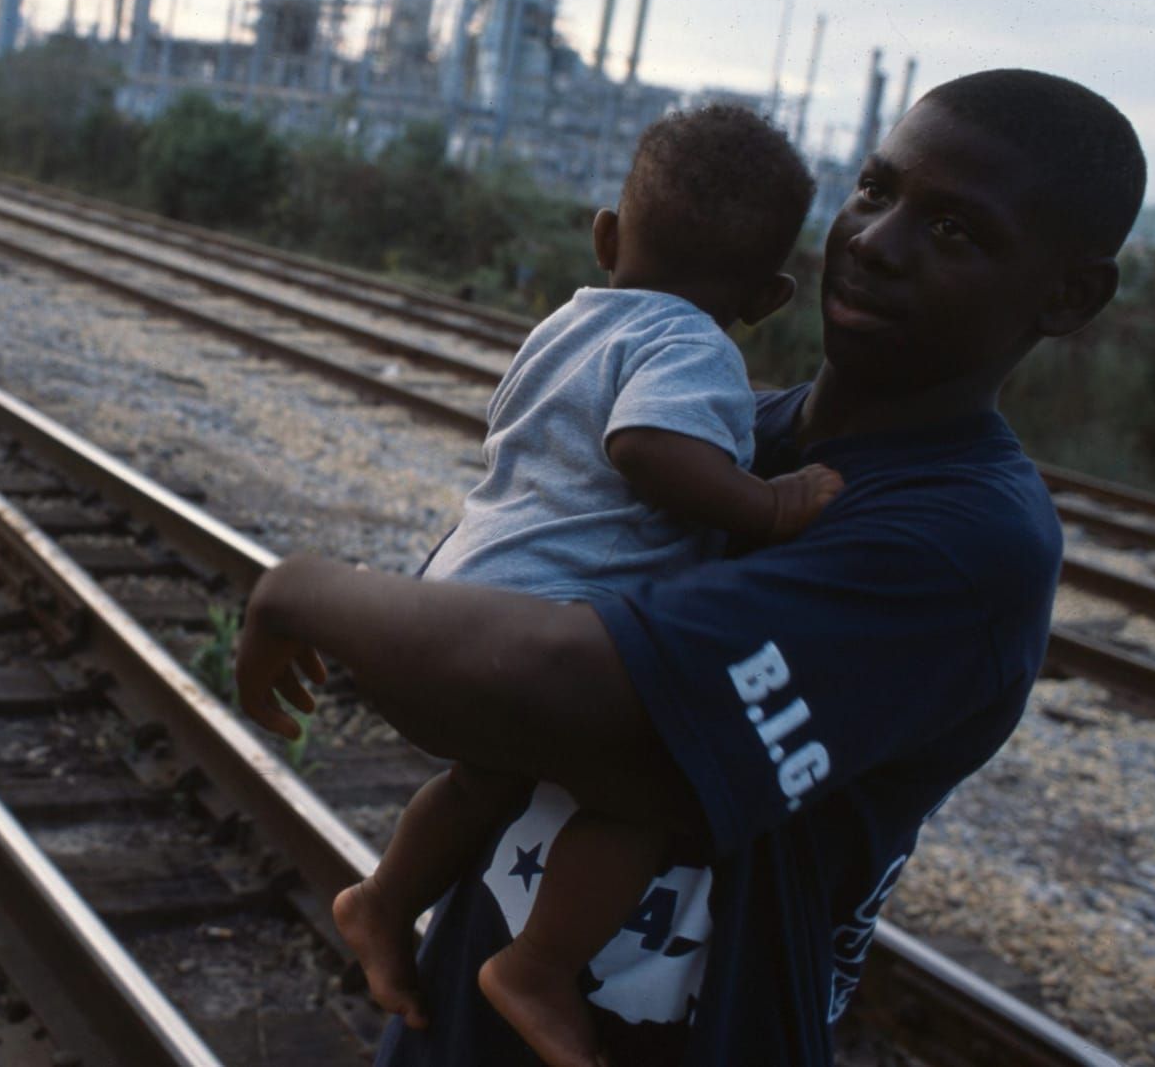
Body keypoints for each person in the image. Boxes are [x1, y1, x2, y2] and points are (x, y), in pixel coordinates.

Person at [237, 69, 1145, 1065]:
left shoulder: (961, 542)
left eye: (951, 230)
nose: (872, 245)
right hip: (457, 1020)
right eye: (874, 192)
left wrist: (299, 590)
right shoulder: (721, 441)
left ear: (1067, 294)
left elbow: (514, 683)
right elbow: (474, 622)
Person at [331, 104, 844, 1067]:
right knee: (645, 798)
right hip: (542, 629)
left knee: (484, 777)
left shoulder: (568, 322)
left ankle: (385, 898)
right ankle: (536, 966)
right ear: (772, 298)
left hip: (457, 597)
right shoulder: (692, 346)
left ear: (606, 235)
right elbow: (647, 446)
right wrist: (768, 506)